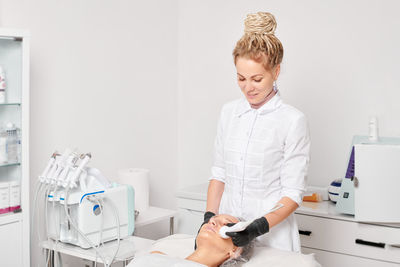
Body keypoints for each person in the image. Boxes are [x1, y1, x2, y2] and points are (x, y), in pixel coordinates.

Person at [199, 12, 310, 252]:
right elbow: (219, 173)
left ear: (276, 72)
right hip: (227, 233)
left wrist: (257, 227)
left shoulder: (292, 120)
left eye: (257, 79)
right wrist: (209, 217)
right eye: (241, 78)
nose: (248, 87)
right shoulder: (229, 112)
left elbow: (292, 193)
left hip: (273, 237)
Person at [128, 214, 254, 267]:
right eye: (213, 219)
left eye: (226, 224)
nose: (212, 221)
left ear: (235, 250)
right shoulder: (156, 255)